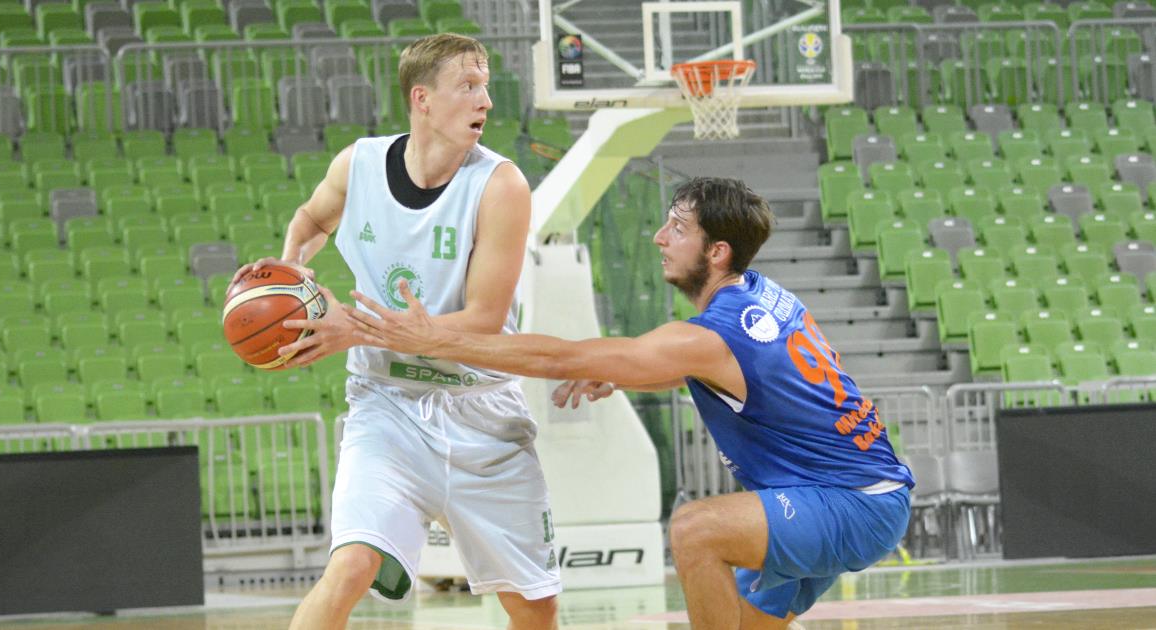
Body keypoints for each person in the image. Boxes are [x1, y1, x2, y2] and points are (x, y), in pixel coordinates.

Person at [317, 177, 916, 629]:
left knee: (696, 531)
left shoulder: (710, 337)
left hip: (848, 503)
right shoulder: (764, 296)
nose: (660, 237)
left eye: (678, 227)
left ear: (717, 252)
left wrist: (433, 339)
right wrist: (629, 376)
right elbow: (740, 377)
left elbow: (562, 358)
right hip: (846, 492)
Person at [228, 33, 559, 630]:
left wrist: (356, 328)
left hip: (481, 412)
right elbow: (312, 218)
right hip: (387, 405)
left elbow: (483, 320)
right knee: (350, 565)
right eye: (468, 86)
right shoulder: (357, 165)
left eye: (486, 86)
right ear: (422, 99)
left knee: (534, 609)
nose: (485, 101)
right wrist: (292, 269)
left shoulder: (501, 185)